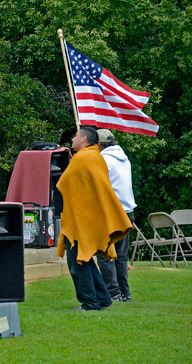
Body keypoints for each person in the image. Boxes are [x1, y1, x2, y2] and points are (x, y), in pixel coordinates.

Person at [56, 126, 132, 311]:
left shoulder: (83, 158)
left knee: (77, 263)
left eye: (75, 135)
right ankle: (104, 299)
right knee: (86, 260)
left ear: (83, 139)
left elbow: (63, 184)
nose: (72, 139)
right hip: (87, 218)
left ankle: (90, 303)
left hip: (81, 221)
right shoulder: (95, 157)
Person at [96, 129, 136, 302]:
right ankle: (124, 293)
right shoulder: (124, 159)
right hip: (128, 212)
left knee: (105, 254)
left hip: (112, 212)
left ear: (99, 144)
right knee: (120, 255)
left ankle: (112, 293)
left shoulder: (103, 159)